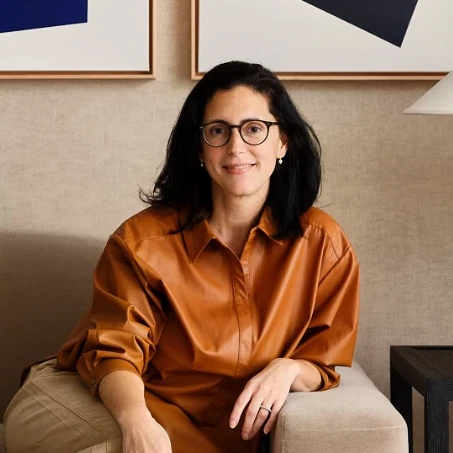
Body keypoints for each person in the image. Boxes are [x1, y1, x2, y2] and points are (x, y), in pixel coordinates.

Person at [4, 61, 359, 453]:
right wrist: (136, 422)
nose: (236, 147)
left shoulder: (323, 243)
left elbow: (323, 360)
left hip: (195, 427)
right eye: (218, 131)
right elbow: (116, 352)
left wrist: (288, 368)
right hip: (94, 396)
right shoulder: (142, 241)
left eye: (254, 129)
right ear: (199, 148)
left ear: (283, 142)